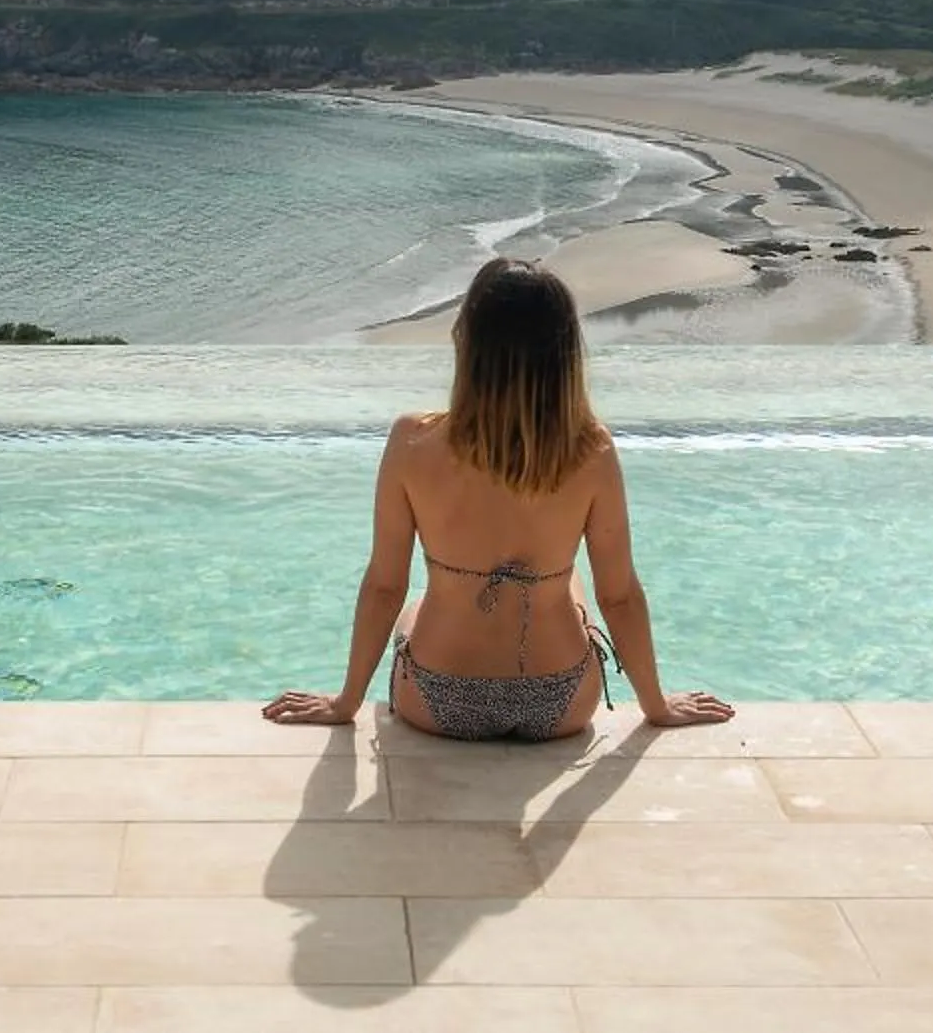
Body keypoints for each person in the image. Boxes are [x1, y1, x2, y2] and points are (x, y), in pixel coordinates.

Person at [264, 256, 734, 739]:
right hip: (561, 701)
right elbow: (619, 597)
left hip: (438, 696)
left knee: (419, 605)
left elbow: (385, 586)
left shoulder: (412, 441)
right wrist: (657, 706)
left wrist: (345, 703)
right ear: (565, 354)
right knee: (570, 583)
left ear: (466, 341)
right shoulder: (591, 449)